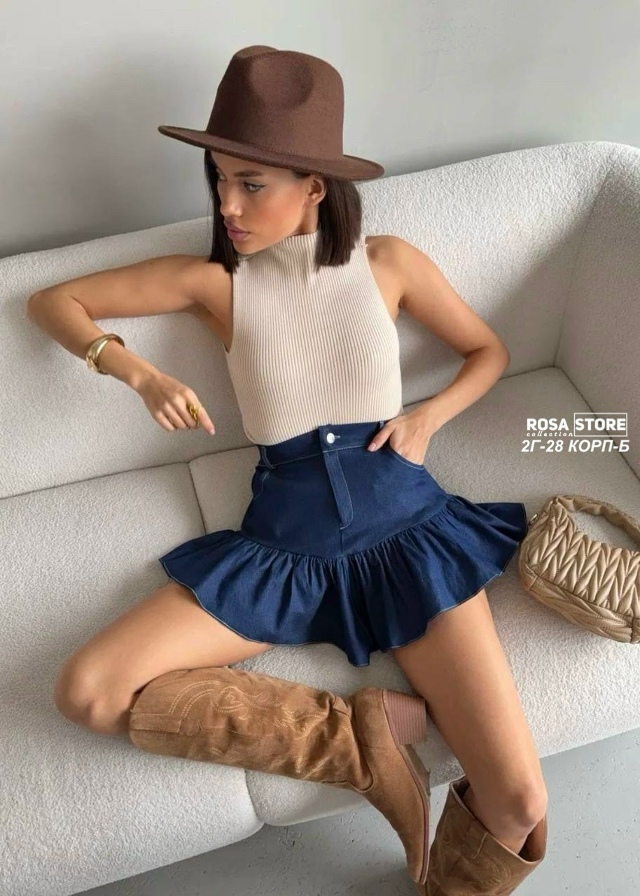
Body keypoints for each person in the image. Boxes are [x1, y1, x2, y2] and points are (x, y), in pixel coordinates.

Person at [43, 46, 547, 893]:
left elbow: (486, 351)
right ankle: (360, 740)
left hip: (409, 532)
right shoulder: (215, 283)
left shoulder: (388, 262)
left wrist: (428, 415)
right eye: (218, 180)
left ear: (315, 186)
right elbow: (53, 301)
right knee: (87, 691)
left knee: (521, 799)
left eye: (251, 183)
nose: (226, 205)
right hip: (286, 547)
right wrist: (136, 373)